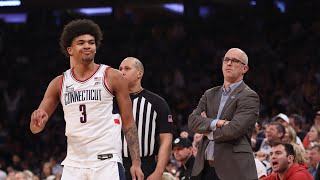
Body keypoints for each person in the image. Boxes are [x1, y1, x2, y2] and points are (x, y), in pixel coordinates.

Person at [29, 19, 143, 180]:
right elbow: (36, 128)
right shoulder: (58, 83)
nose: (87, 46)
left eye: (91, 42)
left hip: (106, 161)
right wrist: (37, 121)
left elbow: (129, 123)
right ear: (70, 50)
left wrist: (136, 162)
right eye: (81, 43)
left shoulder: (112, 76)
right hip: (74, 163)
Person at [188, 48, 259, 180]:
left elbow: (234, 129)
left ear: (245, 69)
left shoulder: (249, 96)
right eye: (226, 60)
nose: (229, 63)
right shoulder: (210, 94)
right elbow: (192, 121)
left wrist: (206, 130)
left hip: (233, 169)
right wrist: (217, 123)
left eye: (235, 61)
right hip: (204, 168)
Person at [119, 57, 173, 179]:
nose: (122, 72)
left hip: (146, 165)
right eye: (120, 69)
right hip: (115, 163)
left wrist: (158, 172)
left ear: (139, 73)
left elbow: (166, 140)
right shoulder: (111, 101)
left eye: (127, 68)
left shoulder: (157, 103)